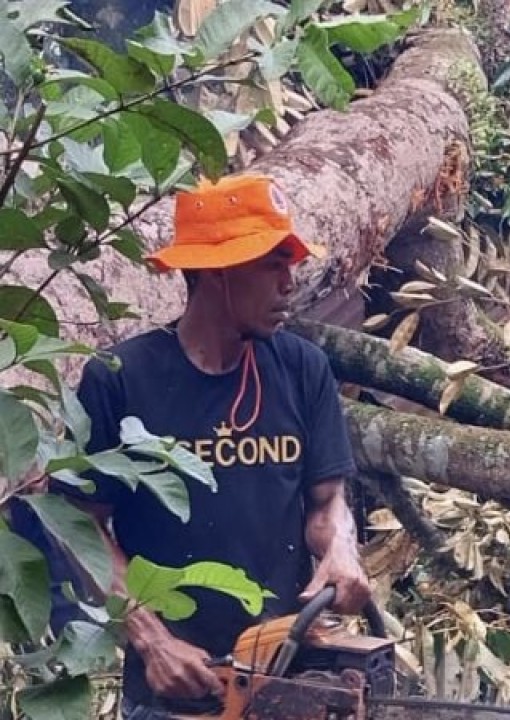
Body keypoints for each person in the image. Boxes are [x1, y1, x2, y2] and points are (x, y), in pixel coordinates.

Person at [54, 174, 373, 717]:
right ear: (217, 273)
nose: (289, 284)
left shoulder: (302, 369)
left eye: (290, 263)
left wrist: (342, 549)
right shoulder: (123, 379)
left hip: (286, 672)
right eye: (271, 265)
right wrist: (152, 640)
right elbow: (80, 526)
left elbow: (327, 503)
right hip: (177, 687)